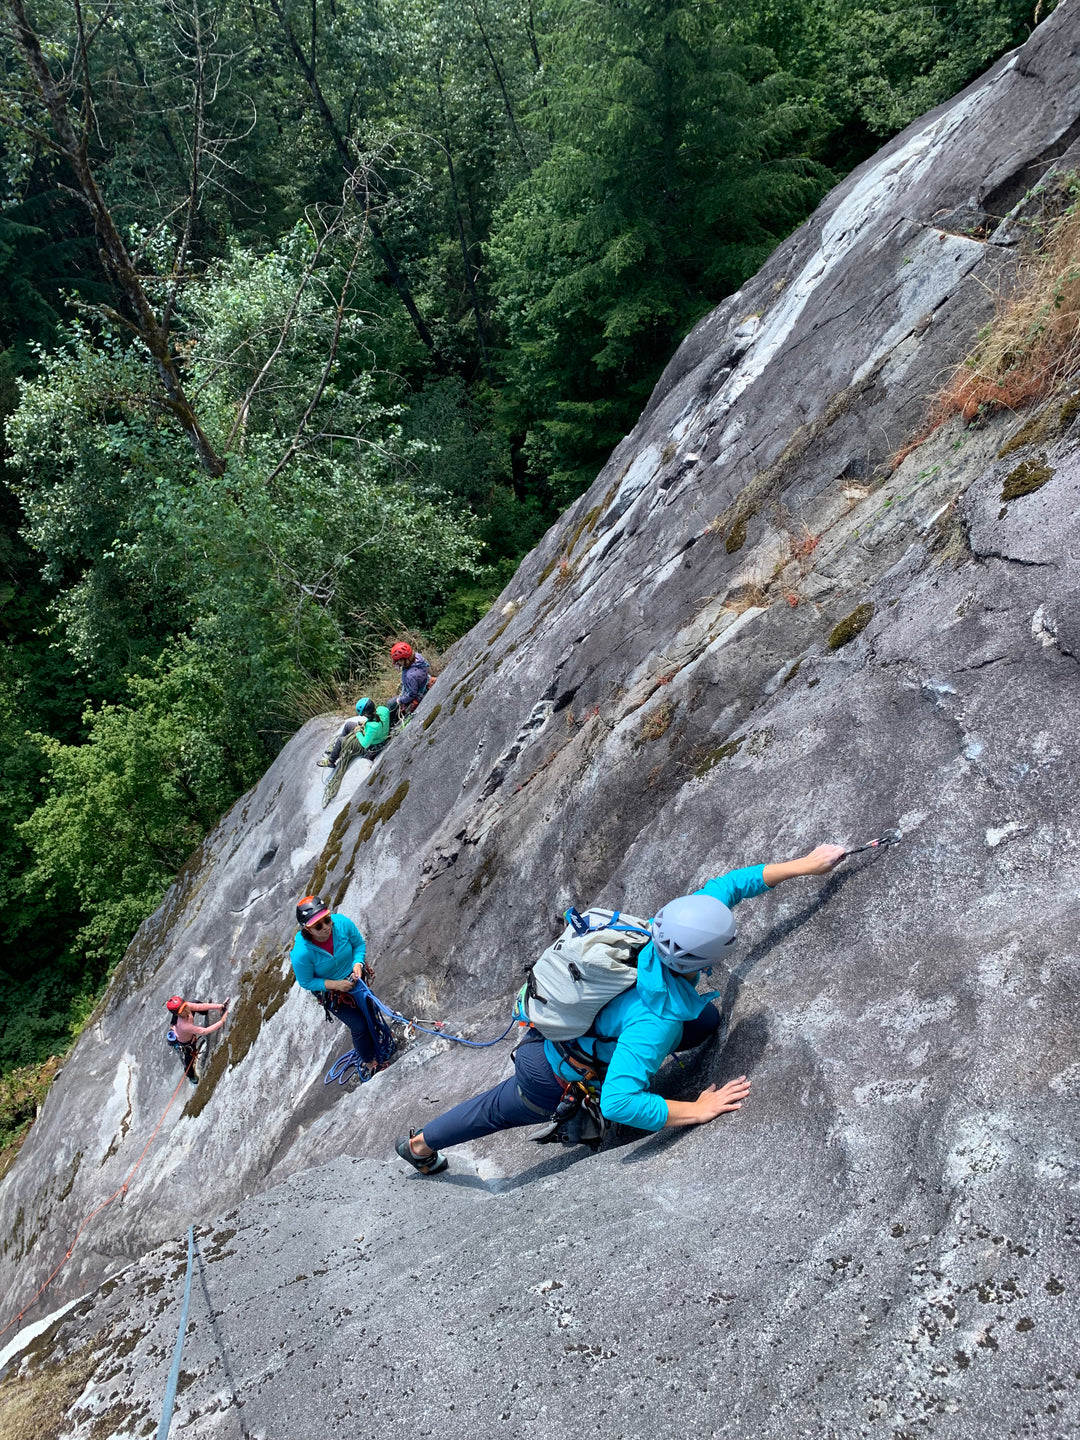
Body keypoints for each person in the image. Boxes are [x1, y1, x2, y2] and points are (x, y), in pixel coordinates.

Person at [395, 843, 846, 1174]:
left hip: (566, 1034)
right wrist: (697, 1109)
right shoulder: (658, 1020)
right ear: (704, 960)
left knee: (706, 1019)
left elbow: (730, 887)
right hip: (550, 1076)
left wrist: (807, 865)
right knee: (491, 1112)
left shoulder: (656, 931)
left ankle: (423, 1143)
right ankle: (419, 1144)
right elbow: (618, 1102)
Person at [290, 895, 395, 1078]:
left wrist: (358, 964)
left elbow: (358, 945)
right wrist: (335, 985)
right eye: (318, 926)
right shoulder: (301, 953)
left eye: (327, 920)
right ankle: (370, 1063)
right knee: (359, 1026)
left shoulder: (342, 924)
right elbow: (306, 981)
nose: (326, 928)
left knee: (371, 1013)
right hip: (333, 994)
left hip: (355, 978)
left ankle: (380, 1042)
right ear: (307, 930)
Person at [165, 995, 230, 1085]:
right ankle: (192, 1077)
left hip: (186, 1036)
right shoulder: (183, 1025)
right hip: (186, 1044)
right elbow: (203, 1031)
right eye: (182, 1011)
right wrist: (221, 1021)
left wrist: (220, 1006)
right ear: (177, 1014)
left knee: (194, 1002)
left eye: (185, 1007)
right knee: (188, 1062)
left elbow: (199, 1007)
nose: (186, 1010)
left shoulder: (186, 1006)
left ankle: (205, 1012)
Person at [317, 697, 398, 768]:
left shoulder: (372, 726)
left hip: (373, 744)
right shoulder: (382, 709)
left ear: (366, 713)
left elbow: (365, 744)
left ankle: (330, 761)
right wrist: (364, 723)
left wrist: (358, 732)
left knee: (340, 741)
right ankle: (337, 749)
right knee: (348, 725)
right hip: (380, 733)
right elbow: (377, 719)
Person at [390, 642, 433, 716]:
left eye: (398, 661)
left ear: (404, 659)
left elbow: (412, 694)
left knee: (391, 704)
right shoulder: (417, 657)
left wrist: (400, 700)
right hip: (424, 681)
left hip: (418, 693)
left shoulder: (411, 676)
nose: (397, 663)